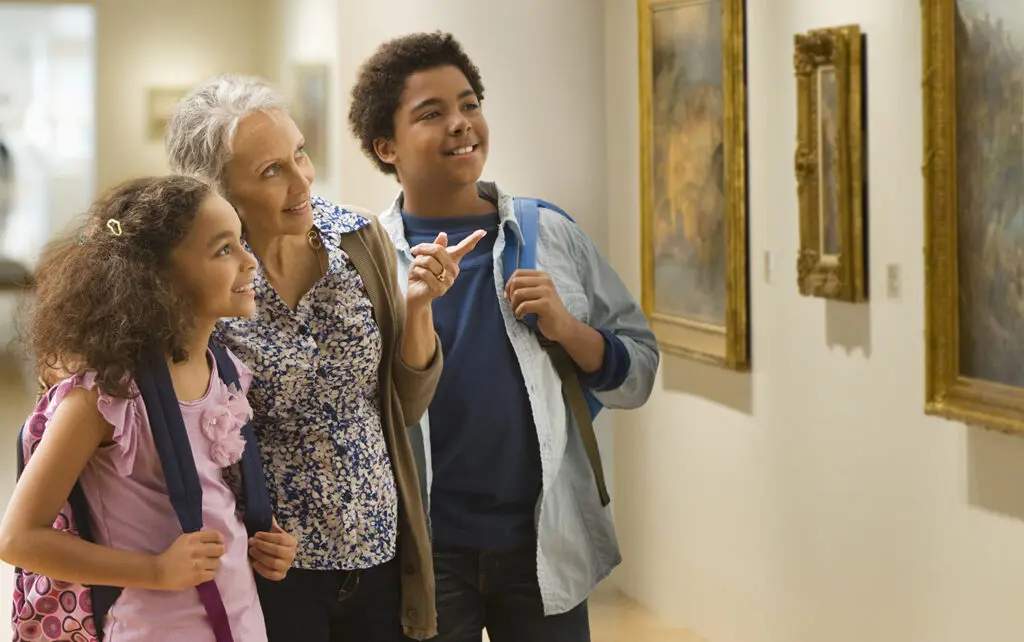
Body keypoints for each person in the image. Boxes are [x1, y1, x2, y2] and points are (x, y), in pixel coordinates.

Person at [348, 32, 660, 642]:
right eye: (432, 113)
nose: (462, 124)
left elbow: (640, 371)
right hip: (425, 556)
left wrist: (569, 330)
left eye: (469, 104)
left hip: (543, 545)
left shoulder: (549, 233)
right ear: (386, 147)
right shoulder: (368, 262)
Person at [165, 74, 481, 641]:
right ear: (218, 193)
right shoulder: (202, 282)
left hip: (380, 543)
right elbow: (182, 431)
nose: (302, 180)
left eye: (300, 154)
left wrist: (419, 306)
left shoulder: (360, 239)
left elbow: (404, 403)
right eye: (271, 171)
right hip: (268, 565)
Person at [0, 175, 298, 641]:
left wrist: (267, 535)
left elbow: (210, 492)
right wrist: (157, 570)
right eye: (223, 250)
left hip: (240, 623)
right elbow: (18, 538)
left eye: (241, 242)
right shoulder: (105, 398)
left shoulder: (226, 372)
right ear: (159, 280)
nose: (249, 261)